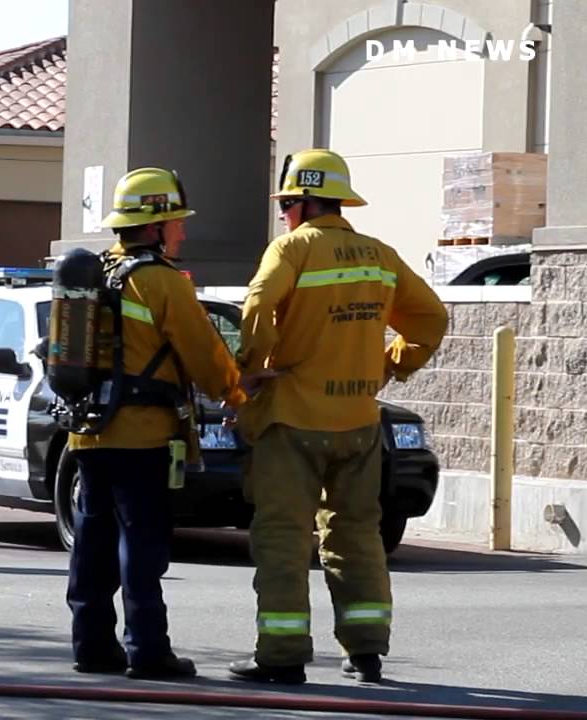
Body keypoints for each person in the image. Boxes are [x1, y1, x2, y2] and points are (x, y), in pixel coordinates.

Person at [228, 149, 448, 686]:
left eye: (286, 205)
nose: (284, 214)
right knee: (357, 536)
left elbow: (258, 305)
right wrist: (393, 363)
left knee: (283, 538)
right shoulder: (379, 255)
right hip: (358, 423)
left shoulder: (292, 249)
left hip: (293, 420)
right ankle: (367, 651)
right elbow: (431, 318)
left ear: (305, 202)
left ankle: (281, 656)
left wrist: (250, 371)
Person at [64, 168, 250, 680]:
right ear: (154, 226)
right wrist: (238, 395)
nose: (182, 232)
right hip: (141, 434)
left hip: (88, 432)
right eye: (176, 222)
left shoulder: (98, 272)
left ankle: (91, 645)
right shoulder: (161, 282)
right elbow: (205, 354)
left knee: (93, 541)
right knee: (142, 544)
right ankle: (148, 650)